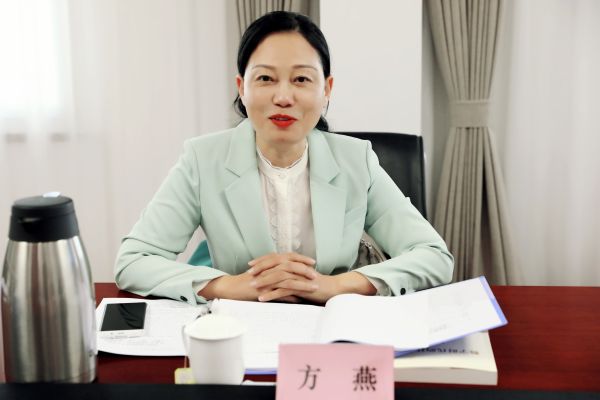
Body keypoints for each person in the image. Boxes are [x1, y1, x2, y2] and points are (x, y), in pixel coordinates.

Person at [115, 11, 453, 306]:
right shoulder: (202, 160)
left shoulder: (357, 160)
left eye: (301, 79)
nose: (283, 97)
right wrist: (230, 286)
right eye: (265, 78)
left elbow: (434, 256)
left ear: (326, 89)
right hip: (238, 328)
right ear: (242, 87)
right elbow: (133, 261)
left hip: (331, 326)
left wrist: (335, 286)